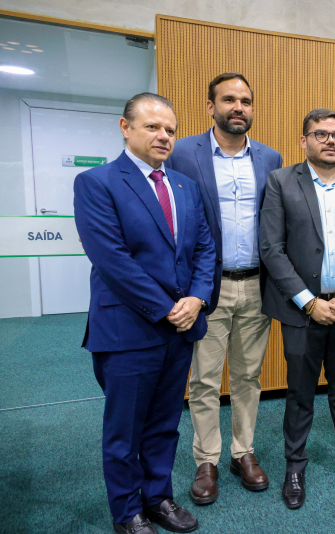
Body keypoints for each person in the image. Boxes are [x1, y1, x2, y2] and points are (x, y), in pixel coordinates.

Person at [74, 93, 216, 534]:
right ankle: (126, 513)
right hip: (128, 329)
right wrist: (166, 308)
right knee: (125, 432)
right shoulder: (96, 183)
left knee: (164, 424)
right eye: (153, 127)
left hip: (181, 328)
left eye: (170, 129)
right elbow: (112, 259)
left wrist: (196, 299)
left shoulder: (185, 187)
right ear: (125, 127)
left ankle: (158, 498)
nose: (164, 136)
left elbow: (205, 249)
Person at [166, 72, 283, 505]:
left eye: (246, 101)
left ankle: (243, 452)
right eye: (229, 99)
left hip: (255, 284)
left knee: (249, 376)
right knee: (204, 379)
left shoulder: (271, 158)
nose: (239, 107)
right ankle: (207, 459)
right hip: (205, 288)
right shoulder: (182, 153)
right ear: (210, 106)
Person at [259, 108, 335, 509]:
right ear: (304, 141)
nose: (331, 141)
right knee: (300, 392)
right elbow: (271, 248)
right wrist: (309, 302)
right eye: (321, 134)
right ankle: (295, 466)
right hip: (301, 311)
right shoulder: (280, 182)